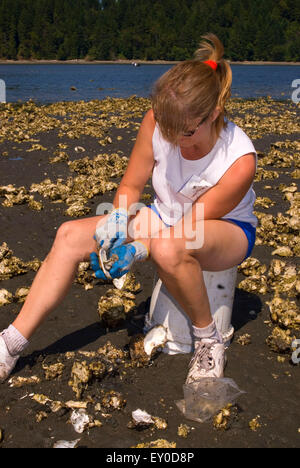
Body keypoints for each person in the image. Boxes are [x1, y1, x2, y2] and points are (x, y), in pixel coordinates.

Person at [0, 34, 257, 384]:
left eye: (182, 131)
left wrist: (137, 249)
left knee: (169, 247)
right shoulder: (159, 121)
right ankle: (11, 344)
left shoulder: (239, 160)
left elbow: (189, 229)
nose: (170, 137)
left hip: (224, 232)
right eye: (165, 127)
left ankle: (208, 339)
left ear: (213, 113)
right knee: (69, 236)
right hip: (166, 217)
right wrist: (119, 217)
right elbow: (132, 186)